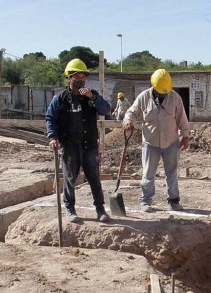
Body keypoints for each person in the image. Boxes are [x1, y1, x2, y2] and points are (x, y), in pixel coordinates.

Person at [45, 58, 113, 223]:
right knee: (70, 178)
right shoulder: (59, 99)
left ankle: (100, 209)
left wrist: (92, 97)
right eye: (77, 77)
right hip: (69, 146)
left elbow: (106, 110)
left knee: (94, 178)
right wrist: (52, 137)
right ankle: (70, 209)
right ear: (69, 78)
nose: (81, 80)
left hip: (89, 145)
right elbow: (50, 118)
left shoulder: (91, 97)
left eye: (83, 77)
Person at [123, 69, 190, 212]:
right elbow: (131, 112)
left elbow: (182, 118)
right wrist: (128, 120)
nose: (163, 94)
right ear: (153, 86)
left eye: (165, 92)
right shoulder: (143, 97)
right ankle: (146, 201)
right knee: (148, 173)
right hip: (150, 142)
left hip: (171, 141)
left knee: (171, 173)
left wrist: (185, 136)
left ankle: (173, 200)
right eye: (160, 92)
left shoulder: (175, 98)